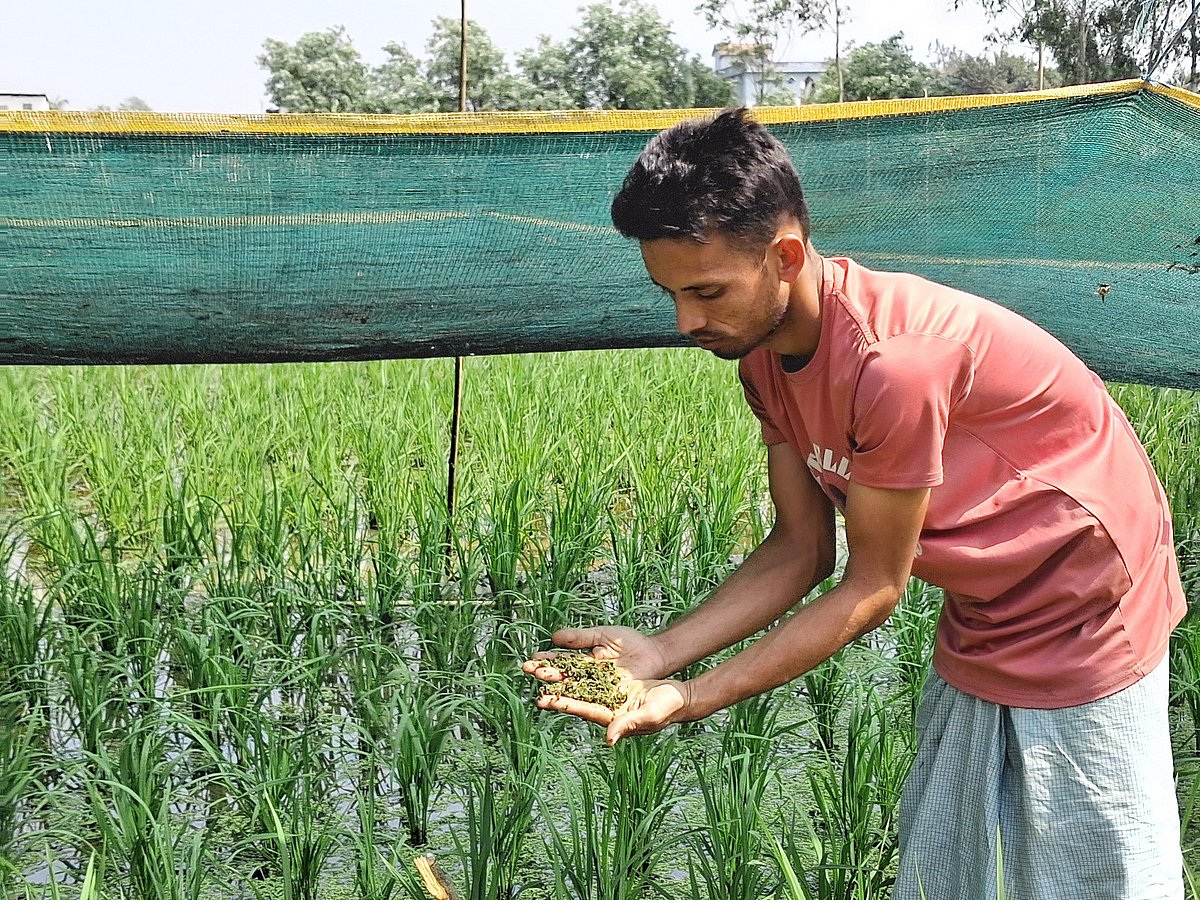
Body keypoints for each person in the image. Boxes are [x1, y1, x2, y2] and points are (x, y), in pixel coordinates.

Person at [522, 108, 1188, 899]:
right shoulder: (765, 366)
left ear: (786, 255)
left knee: (1095, 872)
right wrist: (662, 653)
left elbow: (873, 586)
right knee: (946, 858)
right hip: (984, 597)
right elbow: (800, 550)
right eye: (668, 293)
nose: (686, 322)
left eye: (705, 291)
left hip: (1086, 594)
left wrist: (691, 697)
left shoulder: (895, 365)